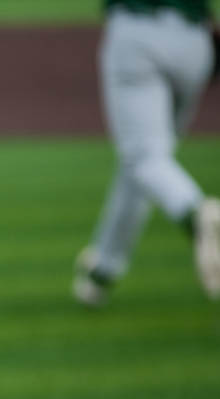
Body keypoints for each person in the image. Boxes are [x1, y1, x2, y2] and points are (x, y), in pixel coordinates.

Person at [74, 0, 220, 306]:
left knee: (145, 158)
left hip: (136, 34)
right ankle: (104, 268)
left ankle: (198, 214)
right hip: (195, 41)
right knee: (148, 164)